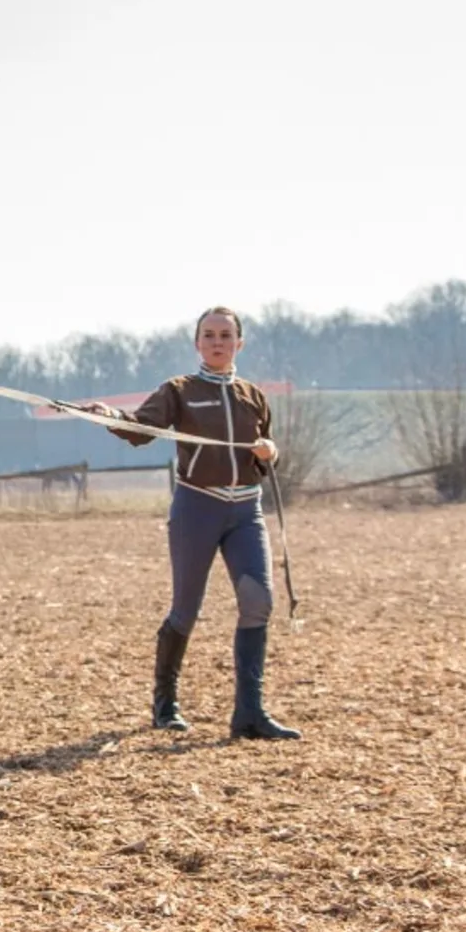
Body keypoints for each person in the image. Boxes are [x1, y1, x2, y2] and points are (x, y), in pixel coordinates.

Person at [81, 307, 301, 740]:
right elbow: (142, 430)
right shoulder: (179, 390)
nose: (217, 342)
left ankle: (250, 715)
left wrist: (270, 453)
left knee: (258, 602)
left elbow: (265, 456)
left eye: (225, 335)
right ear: (197, 343)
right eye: (209, 335)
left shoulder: (253, 395)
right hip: (197, 509)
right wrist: (112, 418)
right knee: (187, 609)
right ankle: (165, 705)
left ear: (239, 342)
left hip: (246, 512)